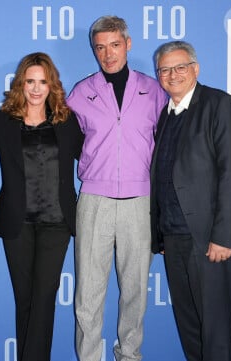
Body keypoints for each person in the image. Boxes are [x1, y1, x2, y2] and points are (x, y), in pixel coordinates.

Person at [66, 16, 166, 361]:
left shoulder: (154, 90)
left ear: (128, 44)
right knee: (88, 294)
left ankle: (129, 356)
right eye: (100, 47)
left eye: (114, 45)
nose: (108, 54)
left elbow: (165, 146)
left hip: (140, 201)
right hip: (94, 200)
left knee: (135, 292)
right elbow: (71, 142)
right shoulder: (82, 91)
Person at [151, 40, 231, 361]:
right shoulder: (166, 114)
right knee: (190, 328)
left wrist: (222, 237)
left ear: (195, 69)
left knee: (216, 330)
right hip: (175, 238)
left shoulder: (219, 105)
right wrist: (162, 235)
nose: (172, 74)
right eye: (165, 69)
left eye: (180, 67)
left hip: (211, 240)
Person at [0, 52, 84, 361]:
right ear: (21, 84)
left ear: (51, 85)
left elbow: (94, 155)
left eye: (42, 82)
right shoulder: (4, 121)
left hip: (57, 222)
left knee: (44, 298)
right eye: (30, 81)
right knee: (25, 300)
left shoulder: (66, 121)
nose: (35, 88)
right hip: (17, 222)